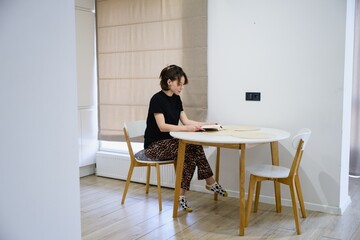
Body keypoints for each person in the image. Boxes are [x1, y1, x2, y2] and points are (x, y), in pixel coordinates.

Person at [144, 64, 228, 212]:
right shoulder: (156, 99)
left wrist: (206, 124)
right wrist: (187, 129)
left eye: (183, 85)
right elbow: (162, 126)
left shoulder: (176, 99)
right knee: (190, 147)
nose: (181, 88)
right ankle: (209, 182)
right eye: (179, 84)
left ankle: (182, 196)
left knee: (191, 148)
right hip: (154, 146)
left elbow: (186, 121)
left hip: (170, 143)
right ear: (169, 82)